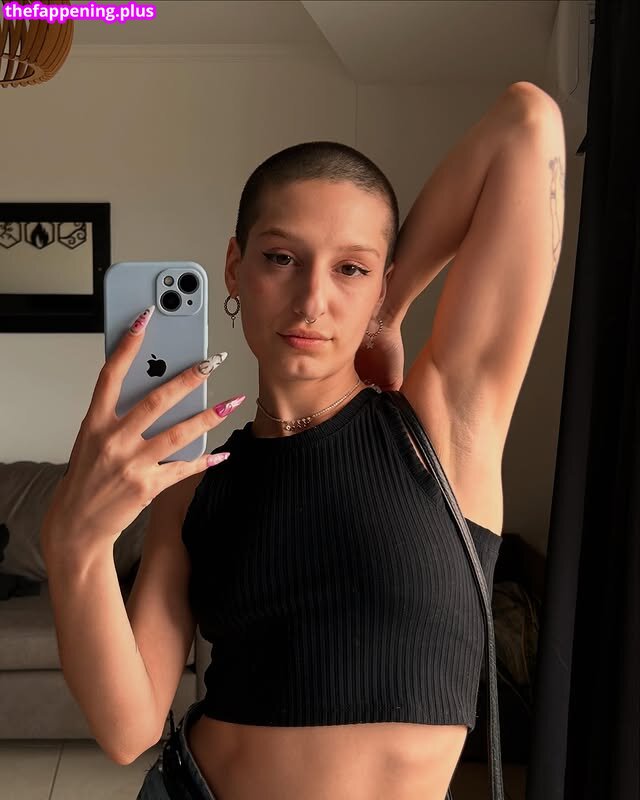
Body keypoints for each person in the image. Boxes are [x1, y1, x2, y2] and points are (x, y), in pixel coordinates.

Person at [43, 85, 563, 800]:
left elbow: (527, 124)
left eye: (350, 268)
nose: (313, 300)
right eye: (282, 257)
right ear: (235, 268)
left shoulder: (443, 425)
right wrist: (73, 545)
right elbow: (127, 729)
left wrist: (386, 311)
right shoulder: (195, 483)